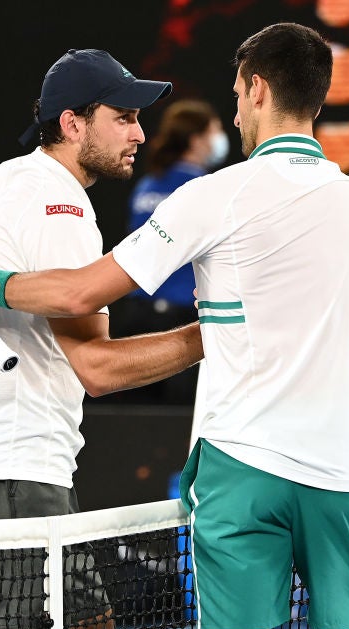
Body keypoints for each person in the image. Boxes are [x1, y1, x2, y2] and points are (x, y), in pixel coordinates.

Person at [0, 22, 349, 629]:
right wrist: (245, 337)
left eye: (236, 93)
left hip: (229, 468)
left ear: (258, 90)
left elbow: (36, 304)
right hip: (337, 470)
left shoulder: (201, 194)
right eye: (124, 118)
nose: (141, 134)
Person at [0, 48, 204, 629]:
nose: (139, 133)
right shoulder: (58, 203)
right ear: (74, 123)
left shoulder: (0, 184)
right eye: (123, 116)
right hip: (17, 466)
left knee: (84, 625)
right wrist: (212, 337)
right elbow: (95, 368)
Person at [112, 99, 229, 403]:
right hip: (183, 324)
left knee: (130, 424)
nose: (220, 138)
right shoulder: (205, 188)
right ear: (197, 138)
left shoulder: (147, 186)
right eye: (215, 130)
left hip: (136, 318)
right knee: (177, 425)